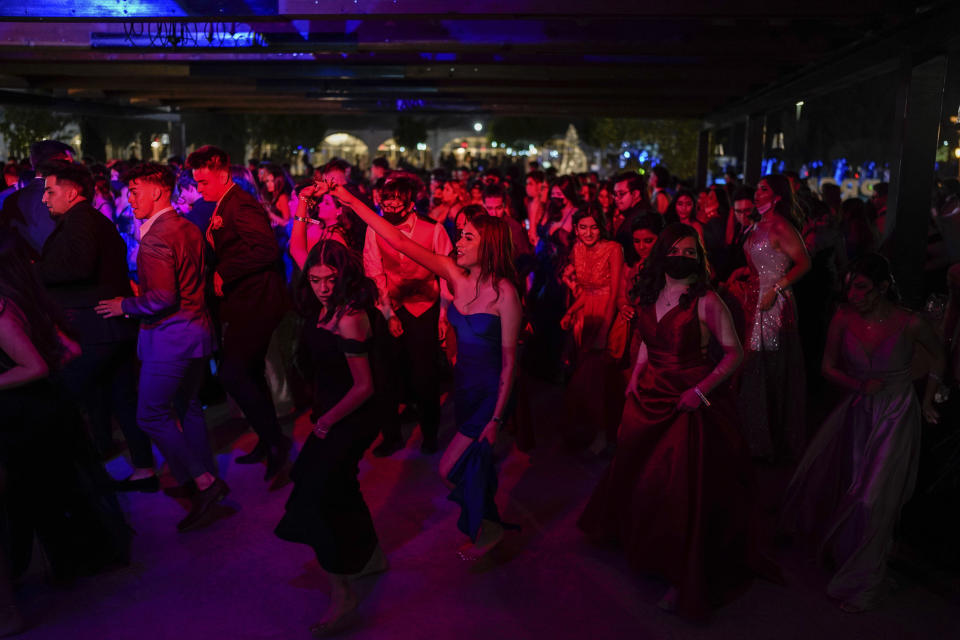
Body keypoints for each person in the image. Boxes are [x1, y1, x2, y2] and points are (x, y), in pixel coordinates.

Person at [319, 179, 522, 560]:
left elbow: (511, 362)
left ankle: (489, 527)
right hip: (465, 390)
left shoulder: (505, 293)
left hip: (492, 396)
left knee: (450, 468)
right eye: (458, 236)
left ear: (489, 246)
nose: (457, 243)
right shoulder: (453, 275)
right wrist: (348, 199)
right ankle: (488, 528)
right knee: (475, 468)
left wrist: (496, 419)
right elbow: (397, 241)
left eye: (466, 238)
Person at [578, 223, 761, 620]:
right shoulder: (646, 293)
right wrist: (633, 378)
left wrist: (700, 392)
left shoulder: (707, 299)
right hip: (648, 394)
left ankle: (684, 577)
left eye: (692, 253)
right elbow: (647, 339)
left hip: (688, 401)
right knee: (640, 476)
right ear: (663, 254)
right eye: (677, 250)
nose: (684, 258)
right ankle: (643, 547)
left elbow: (734, 354)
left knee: (681, 489)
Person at [781, 254, 943, 612]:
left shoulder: (910, 322)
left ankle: (863, 583)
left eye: (861, 286)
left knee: (874, 497)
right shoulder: (843, 318)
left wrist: (930, 399)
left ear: (882, 286)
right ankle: (858, 558)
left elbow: (938, 355)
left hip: (897, 413)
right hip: (858, 412)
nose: (852, 294)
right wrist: (857, 384)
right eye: (849, 285)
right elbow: (827, 367)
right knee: (854, 490)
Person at [95, 163, 225, 531]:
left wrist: (126, 304)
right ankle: (205, 477)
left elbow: (164, 298)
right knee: (189, 409)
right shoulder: (187, 226)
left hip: (171, 336)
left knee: (150, 414)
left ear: (158, 192)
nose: (129, 198)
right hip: (198, 333)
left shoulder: (155, 238)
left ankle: (204, 482)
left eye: (135, 191)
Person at [0, 234, 131, 594]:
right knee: (66, 489)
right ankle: (89, 556)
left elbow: (35, 366)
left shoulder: (3, 311)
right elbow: (70, 350)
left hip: (28, 416)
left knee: (45, 495)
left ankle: (74, 563)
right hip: (49, 407)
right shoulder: (30, 301)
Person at [275, 241, 389, 637]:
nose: (323, 286)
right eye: (315, 278)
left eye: (330, 279)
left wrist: (326, 421)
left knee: (312, 496)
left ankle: (342, 592)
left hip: (352, 415)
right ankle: (370, 555)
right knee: (340, 486)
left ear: (344, 277)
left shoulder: (350, 317)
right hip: (332, 413)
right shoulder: (321, 309)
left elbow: (364, 386)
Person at [35, 161, 153, 481]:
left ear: (72, 192)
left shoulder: (81, 221)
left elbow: (80, 267)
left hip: (96, 329)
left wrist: (34, 271)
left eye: (50, 190)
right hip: (110, 328)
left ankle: (69, 476)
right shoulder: (88, 219)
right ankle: (143, 468)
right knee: (122, 399)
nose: (44, 198)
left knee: (63, 396)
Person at [187, 145, 292, 480]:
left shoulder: (241, 203)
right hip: (245, 301)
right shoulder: (224, 203)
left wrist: (224, 272)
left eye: (203, 182)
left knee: (232, 373)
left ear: (222, 174)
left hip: (258, 301)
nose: (199, 188)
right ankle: (268, 438)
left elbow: (264, 249)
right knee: (250, 371)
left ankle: (276, 442)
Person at [360, 175, 454, 456]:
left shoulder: (433, 229)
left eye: (395, 200)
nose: (388, 205)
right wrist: (389, 314)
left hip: (425, 308)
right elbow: (374, 271)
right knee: (385, 374)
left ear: (410, 203)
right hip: (391, 307)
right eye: (385, 199)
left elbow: (447, 273)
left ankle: (429, 434)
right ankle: (391, 435)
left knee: (425, 375)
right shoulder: (375, 229)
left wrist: (443, 316)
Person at [736, 175, 811, 462]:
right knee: (753, 366)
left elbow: (804, 262)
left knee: (767, 367)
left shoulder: (780, 225)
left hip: (772, 302)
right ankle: (754, 435)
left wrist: (776, 288)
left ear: (777, 196)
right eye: (757, 187)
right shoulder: (758, 224)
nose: (757, 193)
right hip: (753, 297)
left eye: (763, 189)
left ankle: (770, 441)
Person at [560, 207, 624, 450]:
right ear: (576, 229)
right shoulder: (576, 249)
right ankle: (590, 432)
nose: (588, 232)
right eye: (583, 227)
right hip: (587, 316)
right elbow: (587, 291)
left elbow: (614, 293)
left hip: (608, 316)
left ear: (602, 226)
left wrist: (603, 332)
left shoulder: (613, 249)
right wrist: (570, 311)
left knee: (598, 382)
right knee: (585, 380)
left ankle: (603, 436)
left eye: (593, 226)